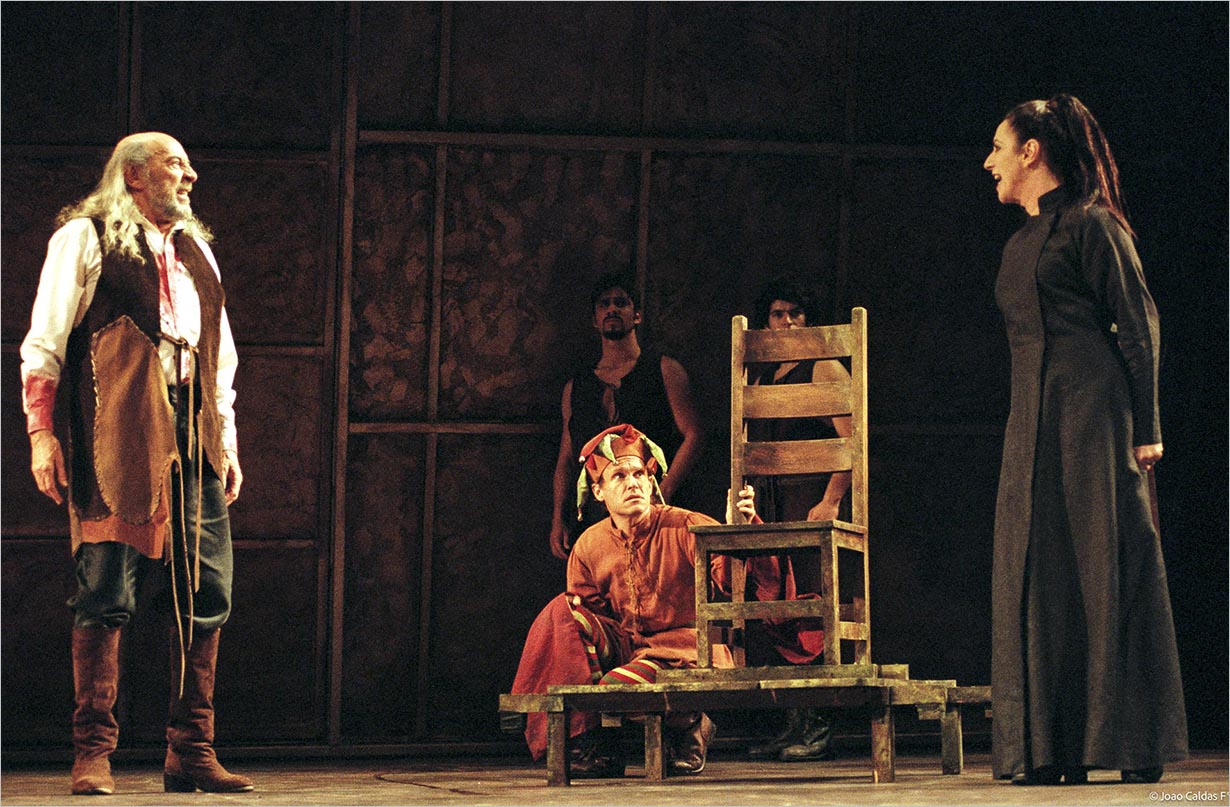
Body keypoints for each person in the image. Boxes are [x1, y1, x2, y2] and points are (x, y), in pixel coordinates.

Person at [20, 132, 254, 795]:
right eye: (175, 165)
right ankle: (93, 751)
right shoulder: (85, 239)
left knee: (205, 588)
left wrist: (226, 441)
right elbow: (43, 344)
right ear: (133, 176)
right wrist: (42, 434)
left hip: (194, 432)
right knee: (105, 586)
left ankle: (191, 749)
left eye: (188, 165)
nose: (190, 176)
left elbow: (221, 360)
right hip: (116, 430)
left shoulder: (197, 251)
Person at [982, 94, 1187, 786]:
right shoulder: (1019, 242)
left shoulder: (1093, 225)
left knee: (1107, 561)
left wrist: (1148, 429)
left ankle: (1132, 740)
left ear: (1032, 151)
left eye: (999, 148)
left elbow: (1139, 325)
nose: (989, 162)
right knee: (1038, 571)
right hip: (1031, 422)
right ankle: (1051, 746)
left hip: (1095, 416)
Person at [512, 424, 755, 778]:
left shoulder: (685, 525)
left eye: (640, 474)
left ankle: (691, 726)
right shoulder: (590, 544)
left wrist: (736, 534)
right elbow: (586, 620)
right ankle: (597, 746)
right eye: (620, 476)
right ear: (598, 491)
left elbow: (731, 585)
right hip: (630, 648)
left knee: (614, 691)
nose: (633, 483)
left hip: (684, 649)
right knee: (564, 612)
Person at [742, 279, 851, 763]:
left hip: (809, 498)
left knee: (810, 607)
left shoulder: (822, 365)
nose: (786, 322)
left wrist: (831, 500)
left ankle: (818, 725)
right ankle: (792, 724)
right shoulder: (762, 376)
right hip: (772, 501)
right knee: (776, 608)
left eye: (796, 313)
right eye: (777, 314)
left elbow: (853, 440)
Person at [547, 272, 703, 560]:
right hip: (595, 517)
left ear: (637, 315)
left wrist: (662, 492)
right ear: (595, 320)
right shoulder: (576, 387)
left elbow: (694, 435)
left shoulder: (664, 370)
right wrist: (559, 517)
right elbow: (566, 459)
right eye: (604, 304)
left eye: (621, 303)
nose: (612, 309)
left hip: (651, 513)